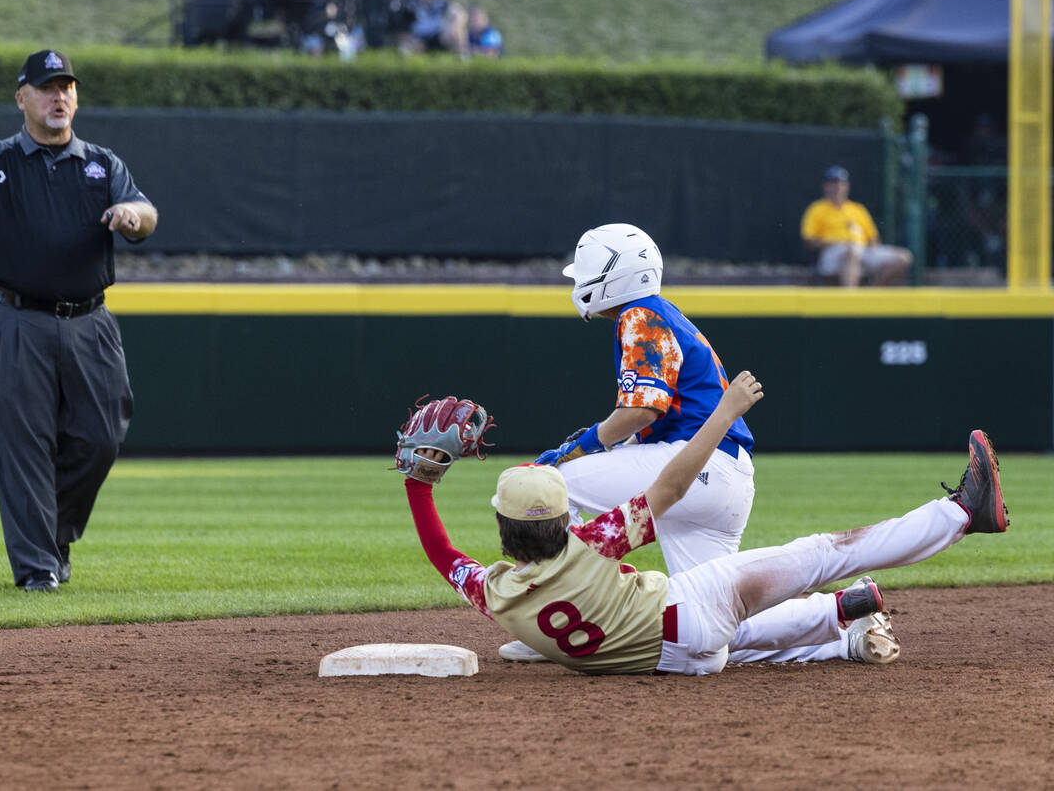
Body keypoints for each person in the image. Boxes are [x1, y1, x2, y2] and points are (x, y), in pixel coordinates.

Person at [401, 377, 1009, 675]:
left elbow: (441, 552)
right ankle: (960, 513)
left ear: (504, 531)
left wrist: (417, 484)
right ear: (566, 518)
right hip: (695, 607)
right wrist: (724, 411)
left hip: (677, 661)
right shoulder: (591, 543)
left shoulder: (495, 595)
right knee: (825, 552)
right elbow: (670, 486)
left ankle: (839, 618)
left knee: (736, 641)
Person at [499, 223, 879, 666]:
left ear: (612, 274)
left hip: (695, 467)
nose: (580, 281)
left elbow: (642, 411)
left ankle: (554, 615)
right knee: (708, 621)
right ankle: (846, 630)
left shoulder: (639, 315)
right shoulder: (659, 314)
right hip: (726, 479)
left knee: (555, 482)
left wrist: (578, 447)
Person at [0, 49, 158, 592]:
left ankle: (54, 534)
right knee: (23, 446)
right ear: (22, 98)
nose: (59, 96)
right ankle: (37, 570)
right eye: (48, 87)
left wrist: (133, 216)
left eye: (67, 86)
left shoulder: (102, 164)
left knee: (100, 436)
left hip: (89, 321)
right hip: (14, 319)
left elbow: (145, 215)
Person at [800, 166, 913, 286]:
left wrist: (870, 247)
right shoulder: (816, 209)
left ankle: (872, 295)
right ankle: (851, 301)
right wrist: (836, 242)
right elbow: (809, 240)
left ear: (846, 186)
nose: (837, 187)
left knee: (903, 257)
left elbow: (873, 238)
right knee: (850, 252)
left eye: (840, 183)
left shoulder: (857, 209)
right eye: (833, 183)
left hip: (862, 250)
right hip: (833, 252)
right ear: (825, 186)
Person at [398, 0, 466, 55]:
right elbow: (403, 28)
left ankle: (463, 55)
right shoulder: (412, 5)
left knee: (457, 23)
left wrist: (456, 24)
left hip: (438, 37)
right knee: (408, 44)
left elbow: (460, 13)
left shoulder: (442, 3)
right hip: (420, 39)